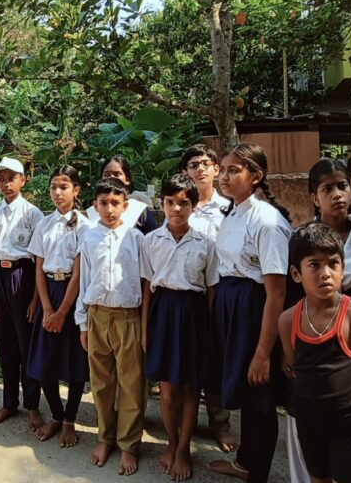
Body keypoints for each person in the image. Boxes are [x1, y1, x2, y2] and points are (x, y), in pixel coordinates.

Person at [278, 223, 351, 483]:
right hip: (309, 422)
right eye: (314, 265)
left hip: (350, 424)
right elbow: (295, 368)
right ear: (296, 273)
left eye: (333, 263)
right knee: (318, 478)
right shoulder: (287, 321)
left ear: (343, 268)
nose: (325, 274)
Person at [207, 143, 292, 483]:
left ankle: (256, 471)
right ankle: (245, 461)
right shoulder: (234, 211)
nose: (224, 177)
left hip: (253, 309)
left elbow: (276, 292)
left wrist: (262, 352)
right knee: (244, 390)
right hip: (231, 303)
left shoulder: (268, 222)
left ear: (256, 176)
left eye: (234, 170)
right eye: (223, 170)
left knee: (260, 396)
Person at [141, 174, 218, 481]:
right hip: (162, 313)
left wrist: (208, 332)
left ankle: (184, 448)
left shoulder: (205, 244)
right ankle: (172, 444)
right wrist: (146, 329)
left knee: (189, 388)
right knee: (168, 390)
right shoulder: (150, 241)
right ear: (162, 203)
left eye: (183, 203)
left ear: (193, 206)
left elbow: (211, 290)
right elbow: (147, 287)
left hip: (193, 315)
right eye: (170, 202)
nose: (176, 209)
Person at [76, 177, 146, 476]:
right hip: (97, 315)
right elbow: (83, 282)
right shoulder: (89, 238)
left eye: (115, 203)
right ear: (95, 205)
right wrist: (82, 323)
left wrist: (145, 325)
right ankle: (105, 438)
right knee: (102, 383)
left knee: (131, 384)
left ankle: (129, 444)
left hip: (128, 317)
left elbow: (146, 282)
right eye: (103, 203)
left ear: (125, 206)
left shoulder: (138, 238)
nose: (109, 209)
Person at [181, 143, 238, 454]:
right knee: (187, 361)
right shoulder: (179, 207)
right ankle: (181, 421)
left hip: (220, 293)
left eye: (206, 163)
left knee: (216, 360)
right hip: (187, 297)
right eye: (193, 165)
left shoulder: (229, 209)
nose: (200, 169)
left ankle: (220, 424)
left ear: (217, 169)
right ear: (185, 173)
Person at [26, 166, 89, 448]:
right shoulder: (44, 224)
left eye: (64, 186)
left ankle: (70, 420)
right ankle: (56, 414)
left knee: (75, 363)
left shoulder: (85, 225)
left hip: (72, 296)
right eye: (53, 186)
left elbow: (78, 272)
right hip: (47, 293)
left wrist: (63, 312)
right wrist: (47, 309)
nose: (57, 192)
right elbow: (38, 268)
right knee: (43, 363)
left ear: (76, 190)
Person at [0, 157, 45, 429]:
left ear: (23, 180)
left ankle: (32, 405)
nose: (6, 184)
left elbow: (40, 259)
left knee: (26, 344)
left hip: (24, 276)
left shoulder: (33, 214)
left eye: (11, 178)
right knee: (5, 345)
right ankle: (9, 403)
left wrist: (35, 299)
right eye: (0, 179)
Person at [308, 158, 351, 299]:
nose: (337, 195)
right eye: (327, 189)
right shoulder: (303, 239)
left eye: (342, 186)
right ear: (315, 199)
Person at [87, 155, 158, 234]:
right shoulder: (92, 213)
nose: (111, 178)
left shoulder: (139, 211)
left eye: (117, 174)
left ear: (127, 179)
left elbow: (152, 241)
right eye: (106, 175)